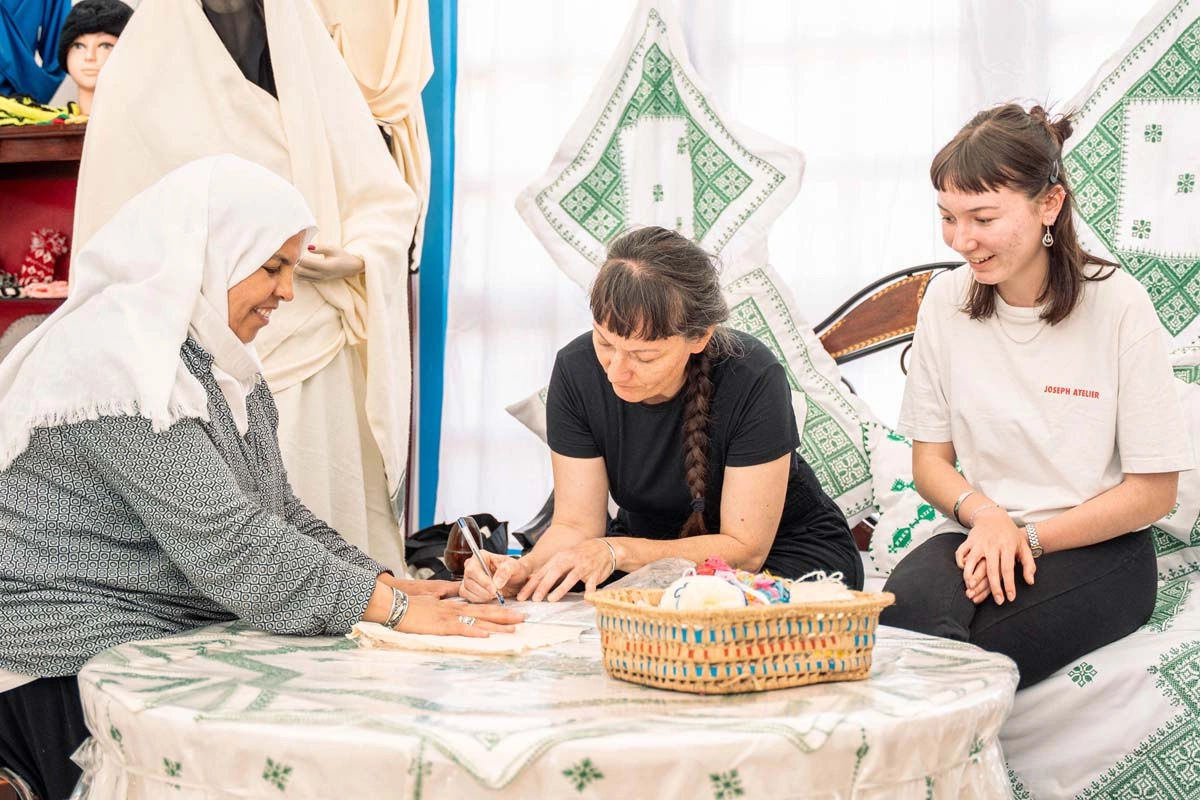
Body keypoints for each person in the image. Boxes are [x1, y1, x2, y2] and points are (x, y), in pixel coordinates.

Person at [0, 156, 520, 800]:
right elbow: (234, 545)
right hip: (65, 664)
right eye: (271, 267)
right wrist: (388, 610)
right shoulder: (116, 364)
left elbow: (276, 515)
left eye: (291, 270)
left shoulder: (213, 366)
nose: (286, 292)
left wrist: (387, 584)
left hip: (157, 637)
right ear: (206, 251)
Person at [70, 0, 417, 569]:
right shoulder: (137, 76)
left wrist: (352, 257)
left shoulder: (310, 70)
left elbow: (382, 199)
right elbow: (116, 232)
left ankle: (351, 616)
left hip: (312, 333)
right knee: (218, 546)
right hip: (189, 361)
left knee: (318, 518)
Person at [880, 104, 1190, 689]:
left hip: (1098, 548)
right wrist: (989, 518)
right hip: (980, 530)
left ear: (1049, 204)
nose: (961, 239)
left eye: (982, 217)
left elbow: (1153, 493)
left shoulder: (1118, 305)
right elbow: (929, 462)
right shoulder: (946, 302)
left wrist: (1029, 537)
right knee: (898, 630)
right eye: (948, 217)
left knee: (963, 664)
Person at [461, 226, 862, 604]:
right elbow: (576, 526)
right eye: (605, 343)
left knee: (713, 608)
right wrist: (522, 568)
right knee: (582, 606)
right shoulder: (576, 369)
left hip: (782, 557)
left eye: (644, 356)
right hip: (641, 556)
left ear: (699, 337)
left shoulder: (753, 376)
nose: (616, 371)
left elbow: (746, 551)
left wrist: (615, 551)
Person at [57, 0, 132, 116]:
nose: (89, 56)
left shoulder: (146, 127)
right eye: (79, 46)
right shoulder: (47, 125)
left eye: (105, 46)